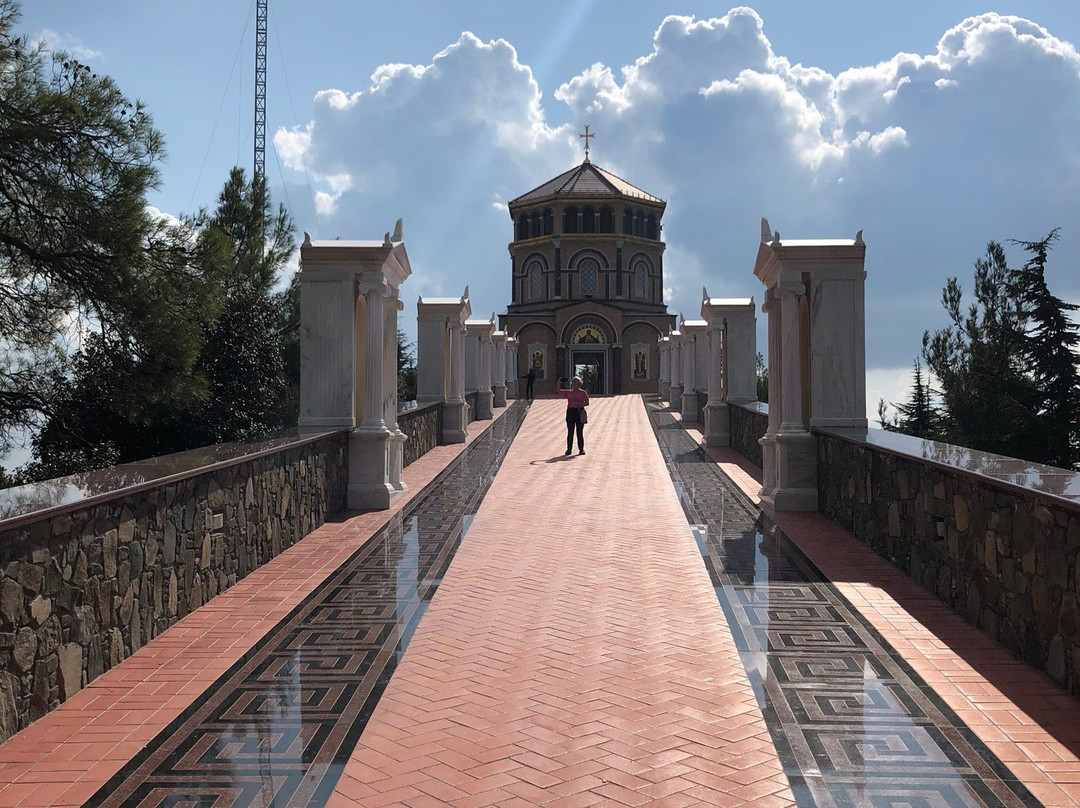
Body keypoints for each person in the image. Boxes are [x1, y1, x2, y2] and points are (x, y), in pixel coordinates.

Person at [556, 375, 589, 455]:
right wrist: (558, 383)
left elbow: (587, 403)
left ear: (579, 383)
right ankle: (569, 449)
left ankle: (581, 449)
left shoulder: (583, 393)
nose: (574, 383)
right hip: (570, 412)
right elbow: (559, 391)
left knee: (579, 432)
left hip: (579, 411)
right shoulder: (569, 392)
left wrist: (579, 404)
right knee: (570, 431)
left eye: (576, 382)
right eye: (573, 382)